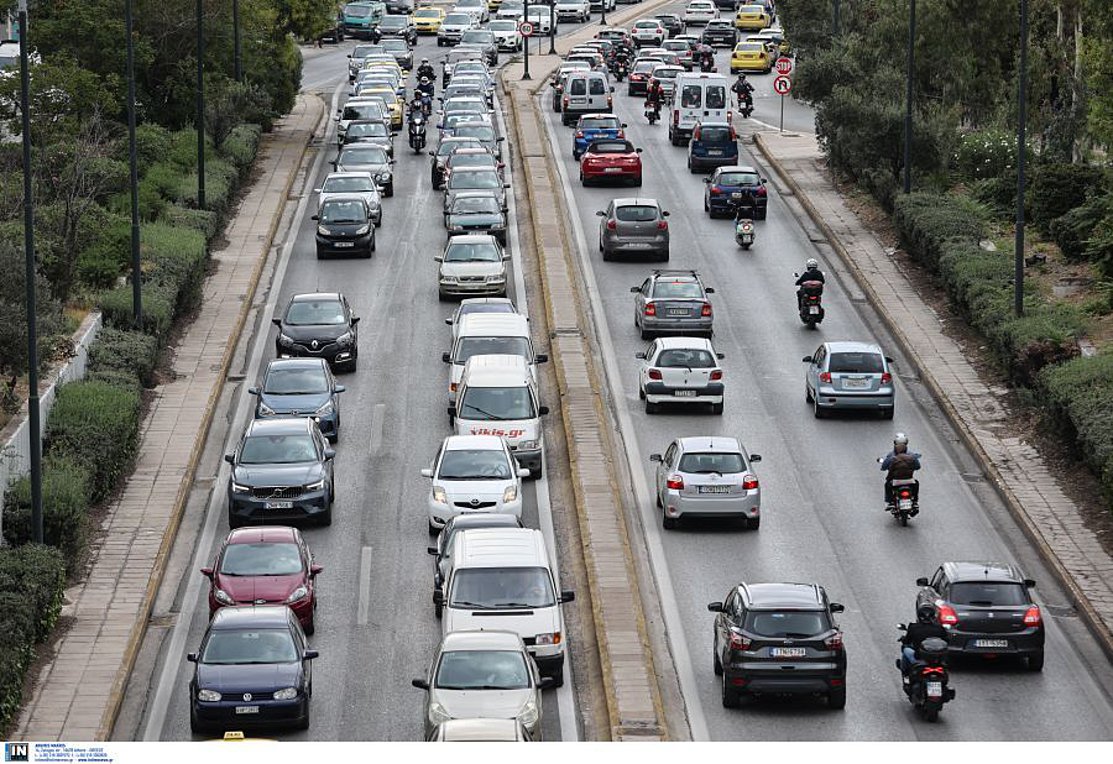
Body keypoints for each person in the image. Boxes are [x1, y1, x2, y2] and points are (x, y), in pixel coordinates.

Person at [899, 604, 949, 679]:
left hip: (918, 658)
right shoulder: (939, 628)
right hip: (937, 660)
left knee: (905, 649)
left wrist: (904, 640)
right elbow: (946, 641)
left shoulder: (913, 627)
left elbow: (907, 641)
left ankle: (905, 673)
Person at [880, 432, 922, 511]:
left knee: (887, 485)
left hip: (896, 481)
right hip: (910, 481)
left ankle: (890, 502)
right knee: (916, 484)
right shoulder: (912, 456)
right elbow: (918, 467)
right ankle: (915, 501)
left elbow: (885, 467)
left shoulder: (891, 457)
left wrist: (888, 477)